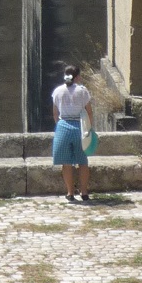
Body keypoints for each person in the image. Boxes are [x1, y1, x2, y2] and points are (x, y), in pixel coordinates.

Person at [51, 63, 93, 203]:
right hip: (79, 126)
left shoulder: (57, 91)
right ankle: (84, 192)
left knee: (66, 163)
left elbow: (55, 113)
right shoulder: (82, 91)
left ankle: (70, 192)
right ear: (77, 77)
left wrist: (60, 125)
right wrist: (89, 128)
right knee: (83, 162)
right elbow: (89, 111)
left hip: (63, 126)